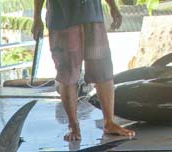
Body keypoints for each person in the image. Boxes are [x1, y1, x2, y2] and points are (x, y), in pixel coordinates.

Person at [32, 0, 135, 141]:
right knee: (68, 74)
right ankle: (73, 126)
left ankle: (109, 122)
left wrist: (113, 6)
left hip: (93, 18)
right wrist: (36, 17)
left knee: (103, 71)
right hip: (63, 20)